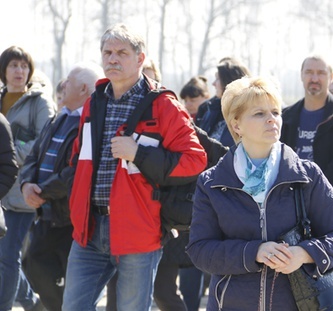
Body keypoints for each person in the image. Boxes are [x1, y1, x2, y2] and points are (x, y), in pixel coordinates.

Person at [61, 23, 207, 310]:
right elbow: (78, 158)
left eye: (122, 53)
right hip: (89, 228)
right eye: (107, 52)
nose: (112, 59)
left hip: (138, 230)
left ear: (140, 59)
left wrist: (138, 154)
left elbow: (195, 161)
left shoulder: (164, 105)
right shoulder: (94, 102)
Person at [186, 76, 333, 310]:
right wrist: (253, 252)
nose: (271, 120)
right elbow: (200, 251)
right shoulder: (212, 182)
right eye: (259, 114)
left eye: (275, 112)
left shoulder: (307, 176)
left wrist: (304, 253)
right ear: (236, 125)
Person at [19, 62, 102, 311]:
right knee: (33, 263)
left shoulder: (90, 123)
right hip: (45, 214)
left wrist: (42, 192)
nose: (63, 85)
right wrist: (26, 185)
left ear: (84, 89)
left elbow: (76, 172)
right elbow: (34, 156)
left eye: (69, 81)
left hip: (71, 219)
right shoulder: (59, 116)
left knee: (76, 285)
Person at [280, 55, 333, 231]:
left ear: (331, 77)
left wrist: (309, 195)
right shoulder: (286, 117)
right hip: (289, 215)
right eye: (309, 72)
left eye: (321, 73)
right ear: (301, 76)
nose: (315, 78)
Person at [0, 45, 55, 311]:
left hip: (23, 191)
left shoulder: (40, 101)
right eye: (13, 65)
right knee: (4, 256)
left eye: (24, 66)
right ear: (4, 71)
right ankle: (33, 303)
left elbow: (46, 141)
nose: (19, 71)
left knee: (8, 255)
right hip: (1, 189)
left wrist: (9, 153)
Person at [195, 57, 250, 147]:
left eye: (217, 79)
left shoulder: (250, 114)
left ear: (229, 81)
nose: (213, 83)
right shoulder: (209, 109)